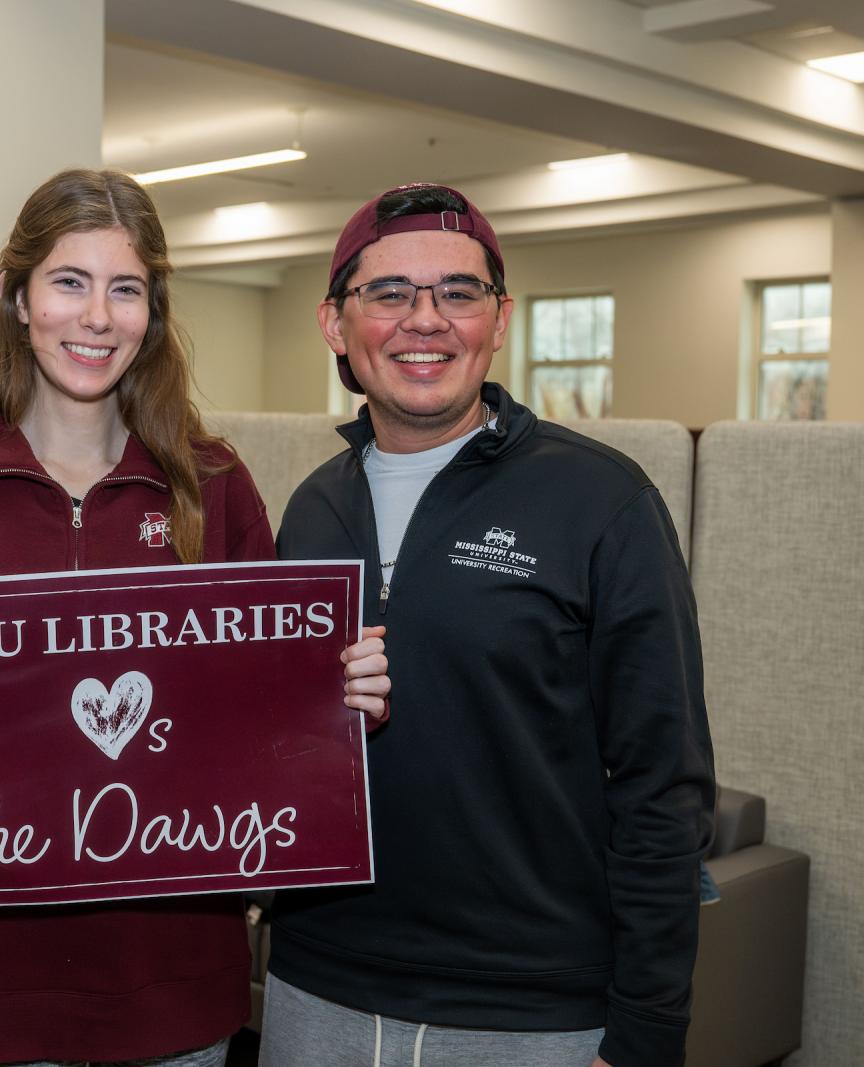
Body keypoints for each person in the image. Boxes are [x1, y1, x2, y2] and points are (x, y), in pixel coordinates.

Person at [0, 168, 390, 1067]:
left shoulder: (215, 483)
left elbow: (263, 739)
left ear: (153, 311)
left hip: (175, 994)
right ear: (16, 296)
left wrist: (334, 705)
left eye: (126, 289)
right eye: (69, 282)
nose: (97, 316)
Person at [263, 183, 716, 1067]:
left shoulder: (601, 500)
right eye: (389, 292)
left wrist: (649, 1031)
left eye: (458, 293)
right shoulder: (312, 509)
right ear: (334, 324)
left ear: (499, 321)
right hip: (317, 983)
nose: (424, 320)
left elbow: (663, 787)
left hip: (532, 1009)